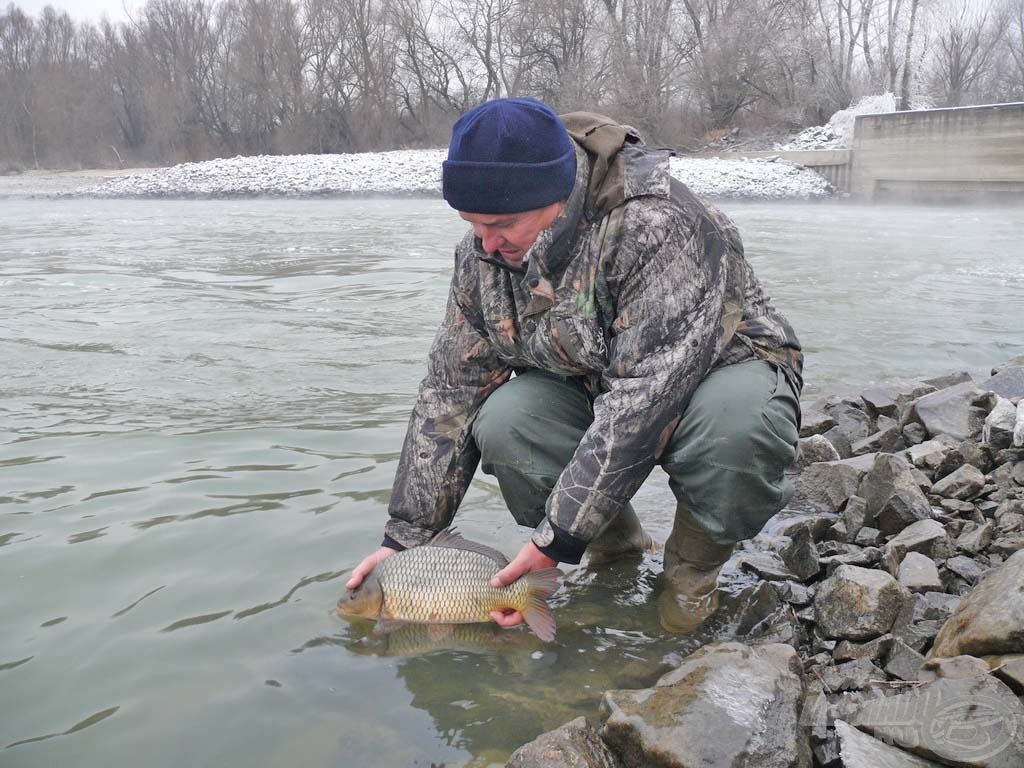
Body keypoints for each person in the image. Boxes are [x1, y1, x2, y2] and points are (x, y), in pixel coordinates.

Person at [346, 97, 803, 633]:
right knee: (505, 420)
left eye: (502, 224)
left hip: (721, 374)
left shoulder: (658, 225)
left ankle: (691, 576)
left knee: (736, 431)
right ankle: (618, 550)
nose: (486, 243)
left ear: (558, 196)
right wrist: (405, 539)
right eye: (472, 224)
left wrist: (556, 539)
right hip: (593, 380)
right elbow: (450, 394)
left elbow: (644, 401)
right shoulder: (483, 255)